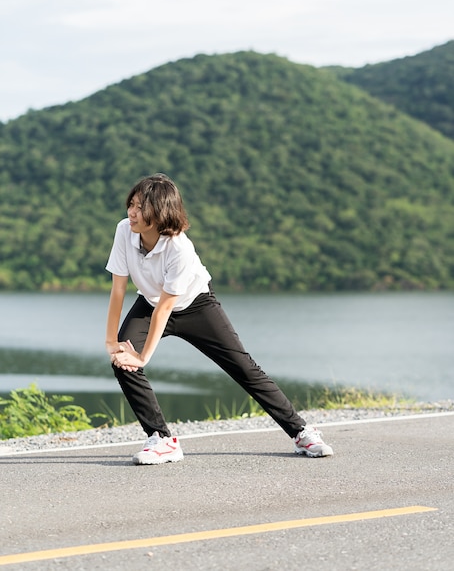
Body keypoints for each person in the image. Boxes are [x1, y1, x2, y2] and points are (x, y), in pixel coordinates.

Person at [105, 173, 333, 465]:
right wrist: (112, 342)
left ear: (160, 214)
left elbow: (167, 308)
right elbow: (118, 288)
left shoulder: (179, 248)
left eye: (140, 207)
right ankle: (162, 439)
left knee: (243, 368)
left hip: (195, 305)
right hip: (149, 303)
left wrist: (143, 357)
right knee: (122, 360)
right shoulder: (125, 230)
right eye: (132, 204)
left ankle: (301, 432)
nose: (132, 212)